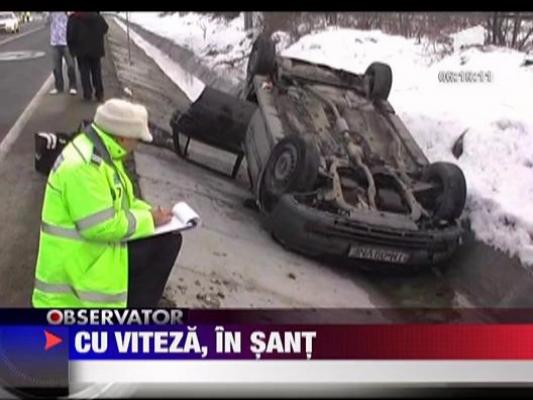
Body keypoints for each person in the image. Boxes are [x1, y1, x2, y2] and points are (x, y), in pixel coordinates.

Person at [32, 98, 182, 308]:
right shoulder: (85, 167)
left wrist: (152, 213)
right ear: (121, 137)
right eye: (136, 139)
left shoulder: (101, 152)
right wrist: (149, 220)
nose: (137, 146)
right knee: (165, 246)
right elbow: (100, 226)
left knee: (168, 240)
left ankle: (140, 302)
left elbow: (123, 202)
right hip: (79, 267)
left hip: (90, 251)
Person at [67, 12, 108, 102]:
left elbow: (70, 35)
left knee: (84, 73)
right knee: (97, 72)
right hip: (96, 50)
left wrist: (72, 49)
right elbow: (105, 28)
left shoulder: (74, 18)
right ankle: (99, 94)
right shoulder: (97, 17)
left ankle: (87, 93)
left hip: (81, 50)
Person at [47, 12, 77, 95]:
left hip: (67, 42)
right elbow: (46, 22)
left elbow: (74, 19)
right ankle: (59, 87)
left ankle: (73, 86)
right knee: (56, 67)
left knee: (71, 65)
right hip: (55, 42)